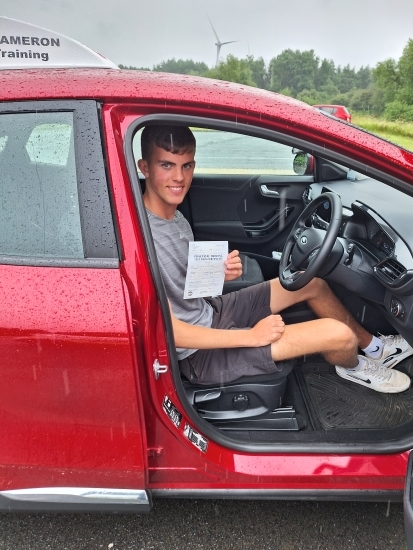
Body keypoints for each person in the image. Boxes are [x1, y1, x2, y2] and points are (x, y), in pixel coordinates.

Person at [138, 125, 413, 393]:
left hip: (210, 312)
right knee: (338, 336)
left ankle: (375, 348)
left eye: (186, 166)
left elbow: (175, 285)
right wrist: (250, 336)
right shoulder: (142, 235)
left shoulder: (172, 216)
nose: (179, 177)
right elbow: (169, 333)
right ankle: (353, 367)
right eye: (166, 165)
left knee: (312, 283)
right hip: (199, 355)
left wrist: (215, 274)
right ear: (144, 168)